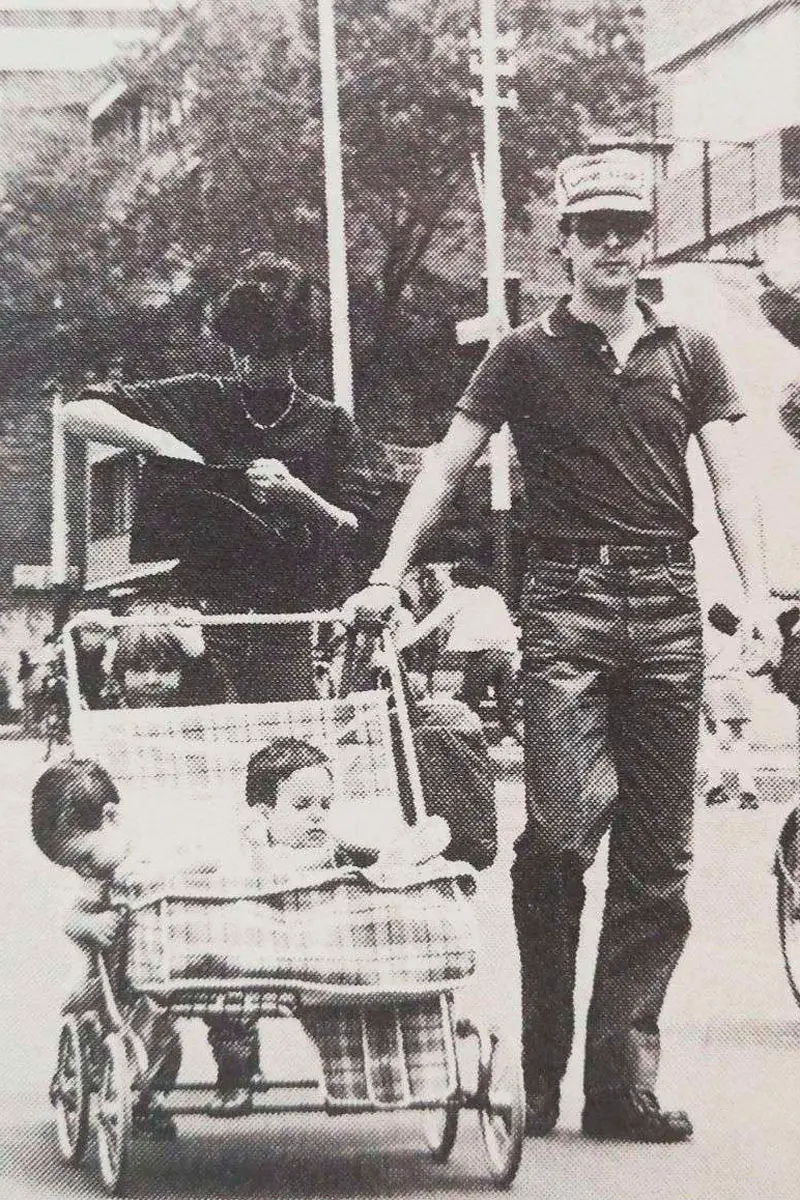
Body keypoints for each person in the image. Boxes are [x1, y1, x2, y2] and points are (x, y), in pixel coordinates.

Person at [344, 148, 779, 1142]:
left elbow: (728, 484)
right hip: (565, 602)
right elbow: (445, 467)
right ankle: (538, 1078)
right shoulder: (520, 353)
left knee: (658, 863)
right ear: (565, 244)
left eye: (629, 228)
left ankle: (617, 1085)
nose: (614, 246)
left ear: (645, 238)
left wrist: (753, 596)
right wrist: (384, 572)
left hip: (668, 603)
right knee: (555, 838)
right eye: (595, 230)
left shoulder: (689, 350)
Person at [61, 255, 386, 701]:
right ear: (230, 342)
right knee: (199, 748)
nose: (253, 361)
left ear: (297, 347)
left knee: (285, 745)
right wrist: (159, 442)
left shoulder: (329, 424)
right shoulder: (200, 396)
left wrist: (302, 497)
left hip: (284, 626)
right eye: (243, 346)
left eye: (269, 349)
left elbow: (362, 532)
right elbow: (77, 413)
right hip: (198, 624)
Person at [395, 558, 520, 742]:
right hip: (507, 653)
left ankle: (469, 744)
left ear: (457, 578)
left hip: (482, 654)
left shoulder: (458, 595)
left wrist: (400, 645)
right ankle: (521, 743)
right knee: (507, 707)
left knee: (468, 703)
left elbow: (431, 623)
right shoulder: (492, 593)